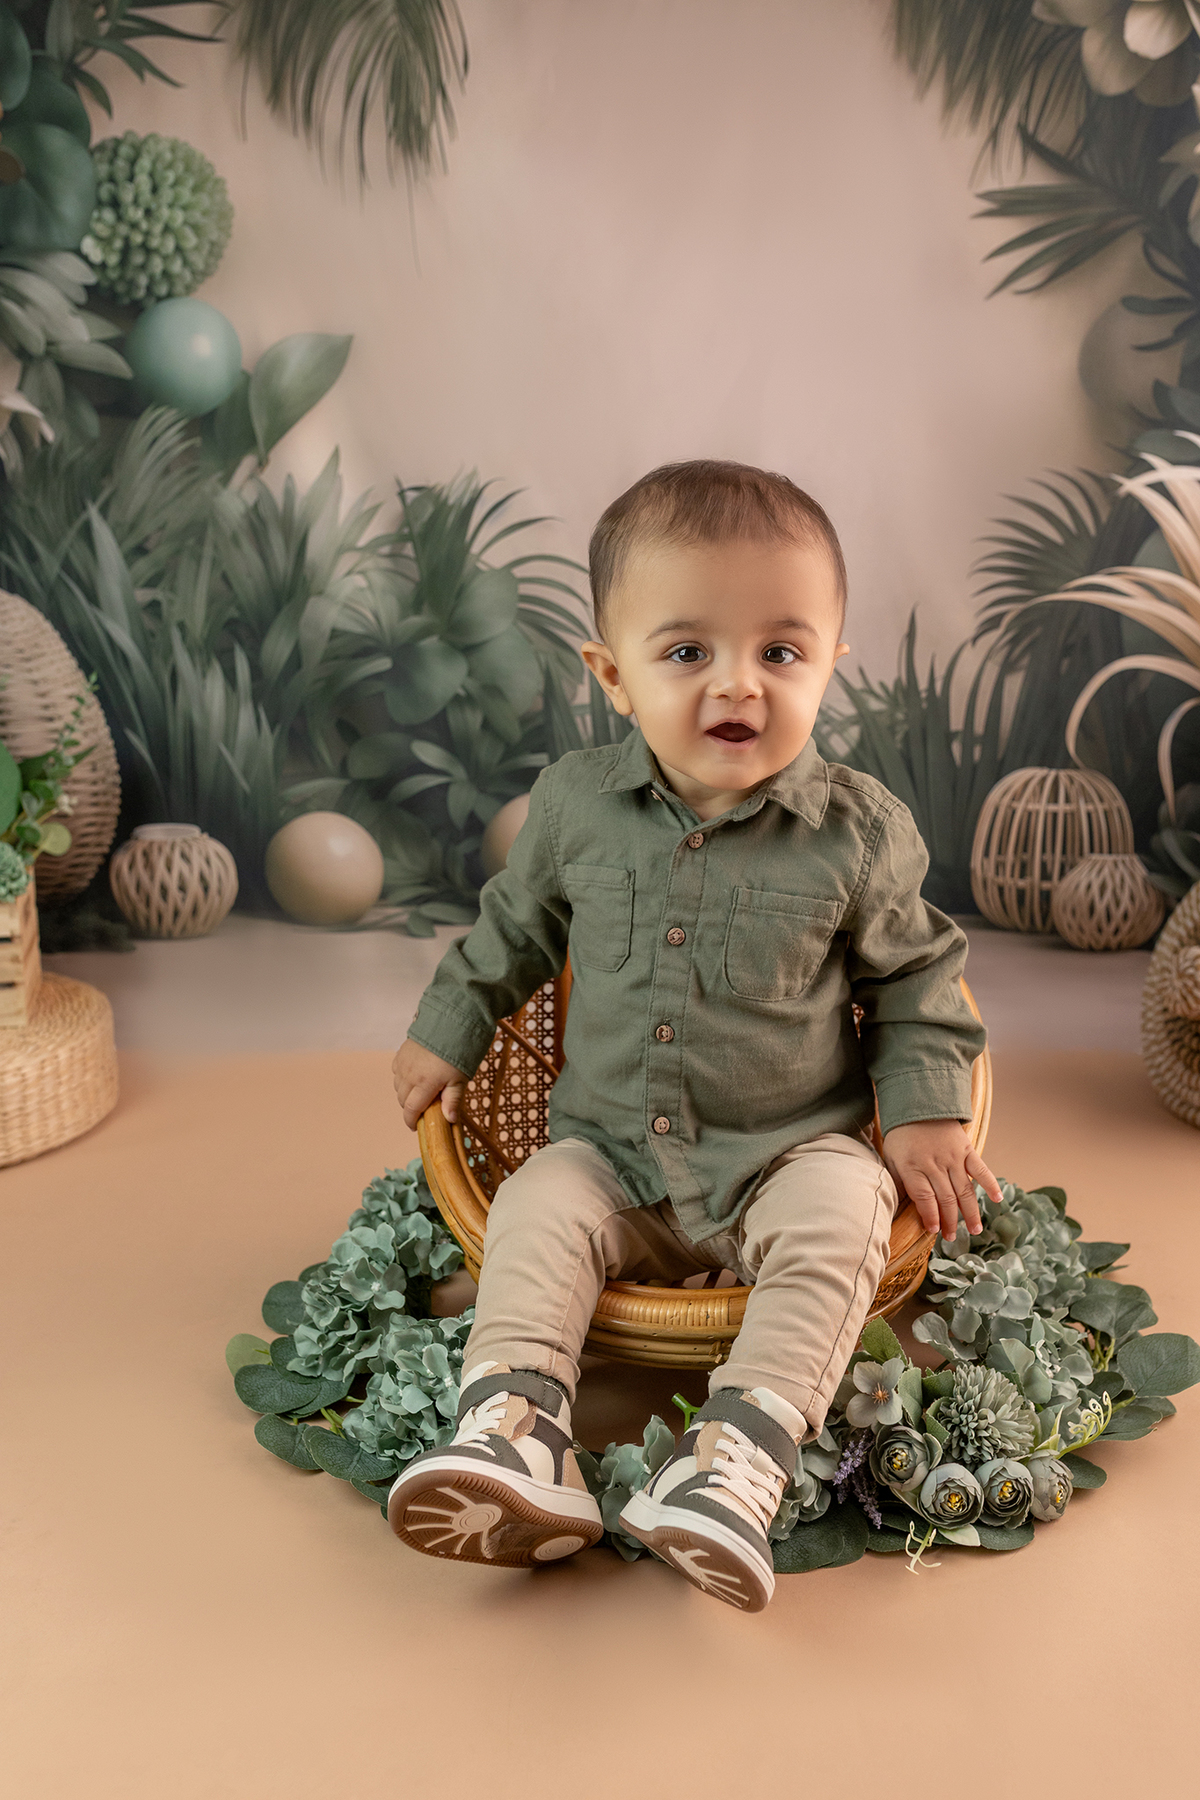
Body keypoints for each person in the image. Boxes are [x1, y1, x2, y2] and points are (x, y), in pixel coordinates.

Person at [388, 459, 1001, 1612]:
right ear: (612, 676)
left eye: (781, 651)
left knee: (848, 1206)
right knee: (536, 1203)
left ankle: (734, 1461)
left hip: (780, 1154)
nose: (740, 685)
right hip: (611, 1155)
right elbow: (510, 932)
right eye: (687, 654)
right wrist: (448, 1031)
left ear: (829, 663)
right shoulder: (575, 806)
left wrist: (919, 1111)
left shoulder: (859, 832)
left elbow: (921, 974)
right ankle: (517, 1433)